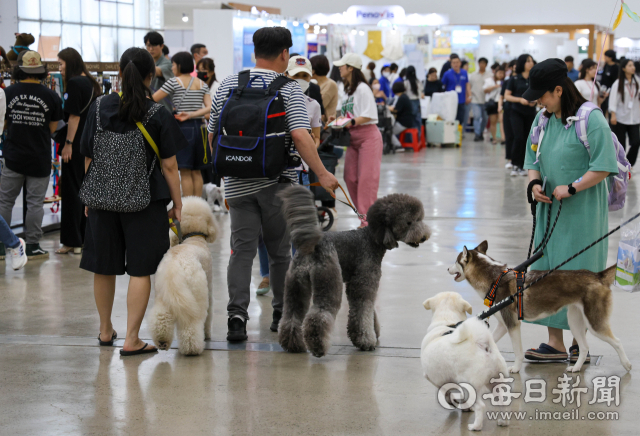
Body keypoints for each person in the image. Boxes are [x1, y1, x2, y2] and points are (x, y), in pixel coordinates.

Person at [206, 27, 339, 341]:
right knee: (280, 254)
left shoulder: (228, 84)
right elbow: (300, 135)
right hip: (277, 182)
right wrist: (322, 173)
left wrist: (224, 171)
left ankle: (236, 318)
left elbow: (212, 132)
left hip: (237, 183)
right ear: (284, 54)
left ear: (255, 51)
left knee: (241, 251)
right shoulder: (290, 89)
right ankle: (282, 315)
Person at [80, 47, 185, 356]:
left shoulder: (99, 107)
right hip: (145, 202)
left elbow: (89, 156)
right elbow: (169, 166)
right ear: (151, 76)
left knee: (104, 267)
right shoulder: (157, 113)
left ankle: (104, 331)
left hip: (102, 202)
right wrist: (178, 205)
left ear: (120, 74)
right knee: (140, 269)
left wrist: (92, 192)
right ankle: (131, 339)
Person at [523, 58, 618, 363]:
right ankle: (555, 343)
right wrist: (534, 185)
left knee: (578, 273)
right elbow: (532, 160)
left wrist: (573, 187)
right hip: (550, 211)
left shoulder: (591, 120)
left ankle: (580, 344)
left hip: (583, 213)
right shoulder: (543, 120)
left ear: (559, 90)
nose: (539, 101)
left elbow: (604, 166)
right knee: (548, 273)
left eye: (543, 95)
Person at [0, 51, 63, 260]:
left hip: (13, 156)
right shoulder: (52, 96)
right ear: (42, 71)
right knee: (35, 202)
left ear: (20, 69)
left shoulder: (8, 93)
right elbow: (52, 128)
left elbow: (4, 123)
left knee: (5, 201)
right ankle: (33, 244)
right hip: (39, 156)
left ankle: (2, 243)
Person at [55, 48, 102, 255]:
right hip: (91, 143)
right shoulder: (92, 83)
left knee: (72, 191)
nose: (59, 69)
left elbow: (73, 117)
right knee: (87, 190)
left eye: (61, 64)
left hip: (76, 144)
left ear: (70, 63)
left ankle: (71, 241)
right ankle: (84, 238)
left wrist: (67, 143)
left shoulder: (74, 83)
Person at [153, 51, 212, 198]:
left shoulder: (174, 82)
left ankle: (187, 209)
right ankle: (198, 208)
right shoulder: (202, 83)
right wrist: (193, 113)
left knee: (185, 172)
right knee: (197, 172)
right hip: (201, 129)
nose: (172, 68)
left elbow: (154, 99)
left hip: (183, 128)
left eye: (173, 65)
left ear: (179, 65)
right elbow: (210, 109)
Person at [334, 53, 383, 228]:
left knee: (366, 181)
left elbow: (369, 115)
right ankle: (364, 215)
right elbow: (348, 114)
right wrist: (338, 120)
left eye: (342, 65)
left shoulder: (363, 88)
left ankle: (368, 221)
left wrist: (349, 122)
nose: (339, 68)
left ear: (351, 68)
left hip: (368, 137)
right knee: (350, 177)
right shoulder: (347, 89)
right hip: (352, 138)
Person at [505, 54, 537, 176]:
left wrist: (534, 102)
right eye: (528, 61)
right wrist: (520, 100)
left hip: (530, 112)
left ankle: (524, 165)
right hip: (516, 112)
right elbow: (507, 96)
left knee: (528, 139)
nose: (531, 63)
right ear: (522, 63)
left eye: (531, 61)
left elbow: (538, 94)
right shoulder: (514, 79)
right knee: (518, 137)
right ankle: (514, 164)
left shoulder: (533, 79)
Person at [608, 58, 640, 167]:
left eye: (633, 65)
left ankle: (628, 164)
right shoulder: (618, 83)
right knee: (621, 146)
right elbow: (613, 100)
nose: (633, 68)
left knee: (636, 142)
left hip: (634, 118)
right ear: (623, 68)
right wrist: (613, 114)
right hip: (620, 118)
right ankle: (621, 166)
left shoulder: (637, 81)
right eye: (630, 65)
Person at [144, 31, 174, 112]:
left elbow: (157, 71)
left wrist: (141, 59)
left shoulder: (168, 63)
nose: (151, 49)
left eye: (154, 45)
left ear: (161, 46)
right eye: (148, 46)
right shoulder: (147, 63)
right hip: (148, 108)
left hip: (164, 109)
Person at [441, 54, 471, 127]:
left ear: (460, 63)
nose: (455, 64)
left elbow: (467, 84)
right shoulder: (447, 74)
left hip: (461, 99)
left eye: (457, 62)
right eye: (453, 63)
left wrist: (469, 96)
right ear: (451, 64)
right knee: (451, 119)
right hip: (450, 100)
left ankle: (458, 134)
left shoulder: (464, 72)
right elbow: (442, 86)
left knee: (460, 119)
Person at [469, 57, 492, 141]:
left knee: (485, 118)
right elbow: (469, 86)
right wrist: (469, 96)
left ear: (486, 65)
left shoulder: (490, 75)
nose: (482, 65)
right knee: (477, 117)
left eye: (483, 63)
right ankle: (477, 134)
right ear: (478, 64)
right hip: (475, 99)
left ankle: (481, 132)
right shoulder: (473, 75)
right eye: (480, 63)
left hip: (486, 101)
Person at [310, 54, 339, 120]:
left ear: (314, 70)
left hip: (326, 125)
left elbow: (318, 105)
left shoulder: (330, 84)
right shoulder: (317, 84)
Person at [500, 59, 517, 168]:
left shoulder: (526, 80)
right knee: (509, 134)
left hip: (520, 110)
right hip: (508, 109)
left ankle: (518, 160)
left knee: (519, 136)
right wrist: (499, 107)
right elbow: (502, 95)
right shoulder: (508, 80)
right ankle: (510, 159)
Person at [388, 81, 414, 148]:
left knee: (388, 132)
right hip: (407, 121)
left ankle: (398, 146)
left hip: (403, 123)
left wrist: (387, 107)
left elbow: (396, 110)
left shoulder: (402, 98)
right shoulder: (404, 97)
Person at [484, 66, 505, 144]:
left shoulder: (506, 81)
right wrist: (494, 86)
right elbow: (485, 90)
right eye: (499, 73)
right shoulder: (489, 80)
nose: (501, 75)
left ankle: (503, 138)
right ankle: (494, 138)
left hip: (502, 103)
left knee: (502, 120)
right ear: (495, 73)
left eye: (502, 73)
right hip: (492, 103)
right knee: (493, 121)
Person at [404, 66, 423, 133]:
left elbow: (404, 93)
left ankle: (411, 139)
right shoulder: (418, 81)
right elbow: (421, 92)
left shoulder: (406, 82)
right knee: (417, 120)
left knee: (411, 121)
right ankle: (418, 137)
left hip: (409, 102)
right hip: (417, 102)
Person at [600, 50, 619, 115]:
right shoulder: (605, 66)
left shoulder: (616, 67)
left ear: (610, 57)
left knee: (610, 106)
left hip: (611, 90)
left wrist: (610, 90)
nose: (605, 58)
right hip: (603, 90)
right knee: (602, 108)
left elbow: (615, 80)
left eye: (606, 56)